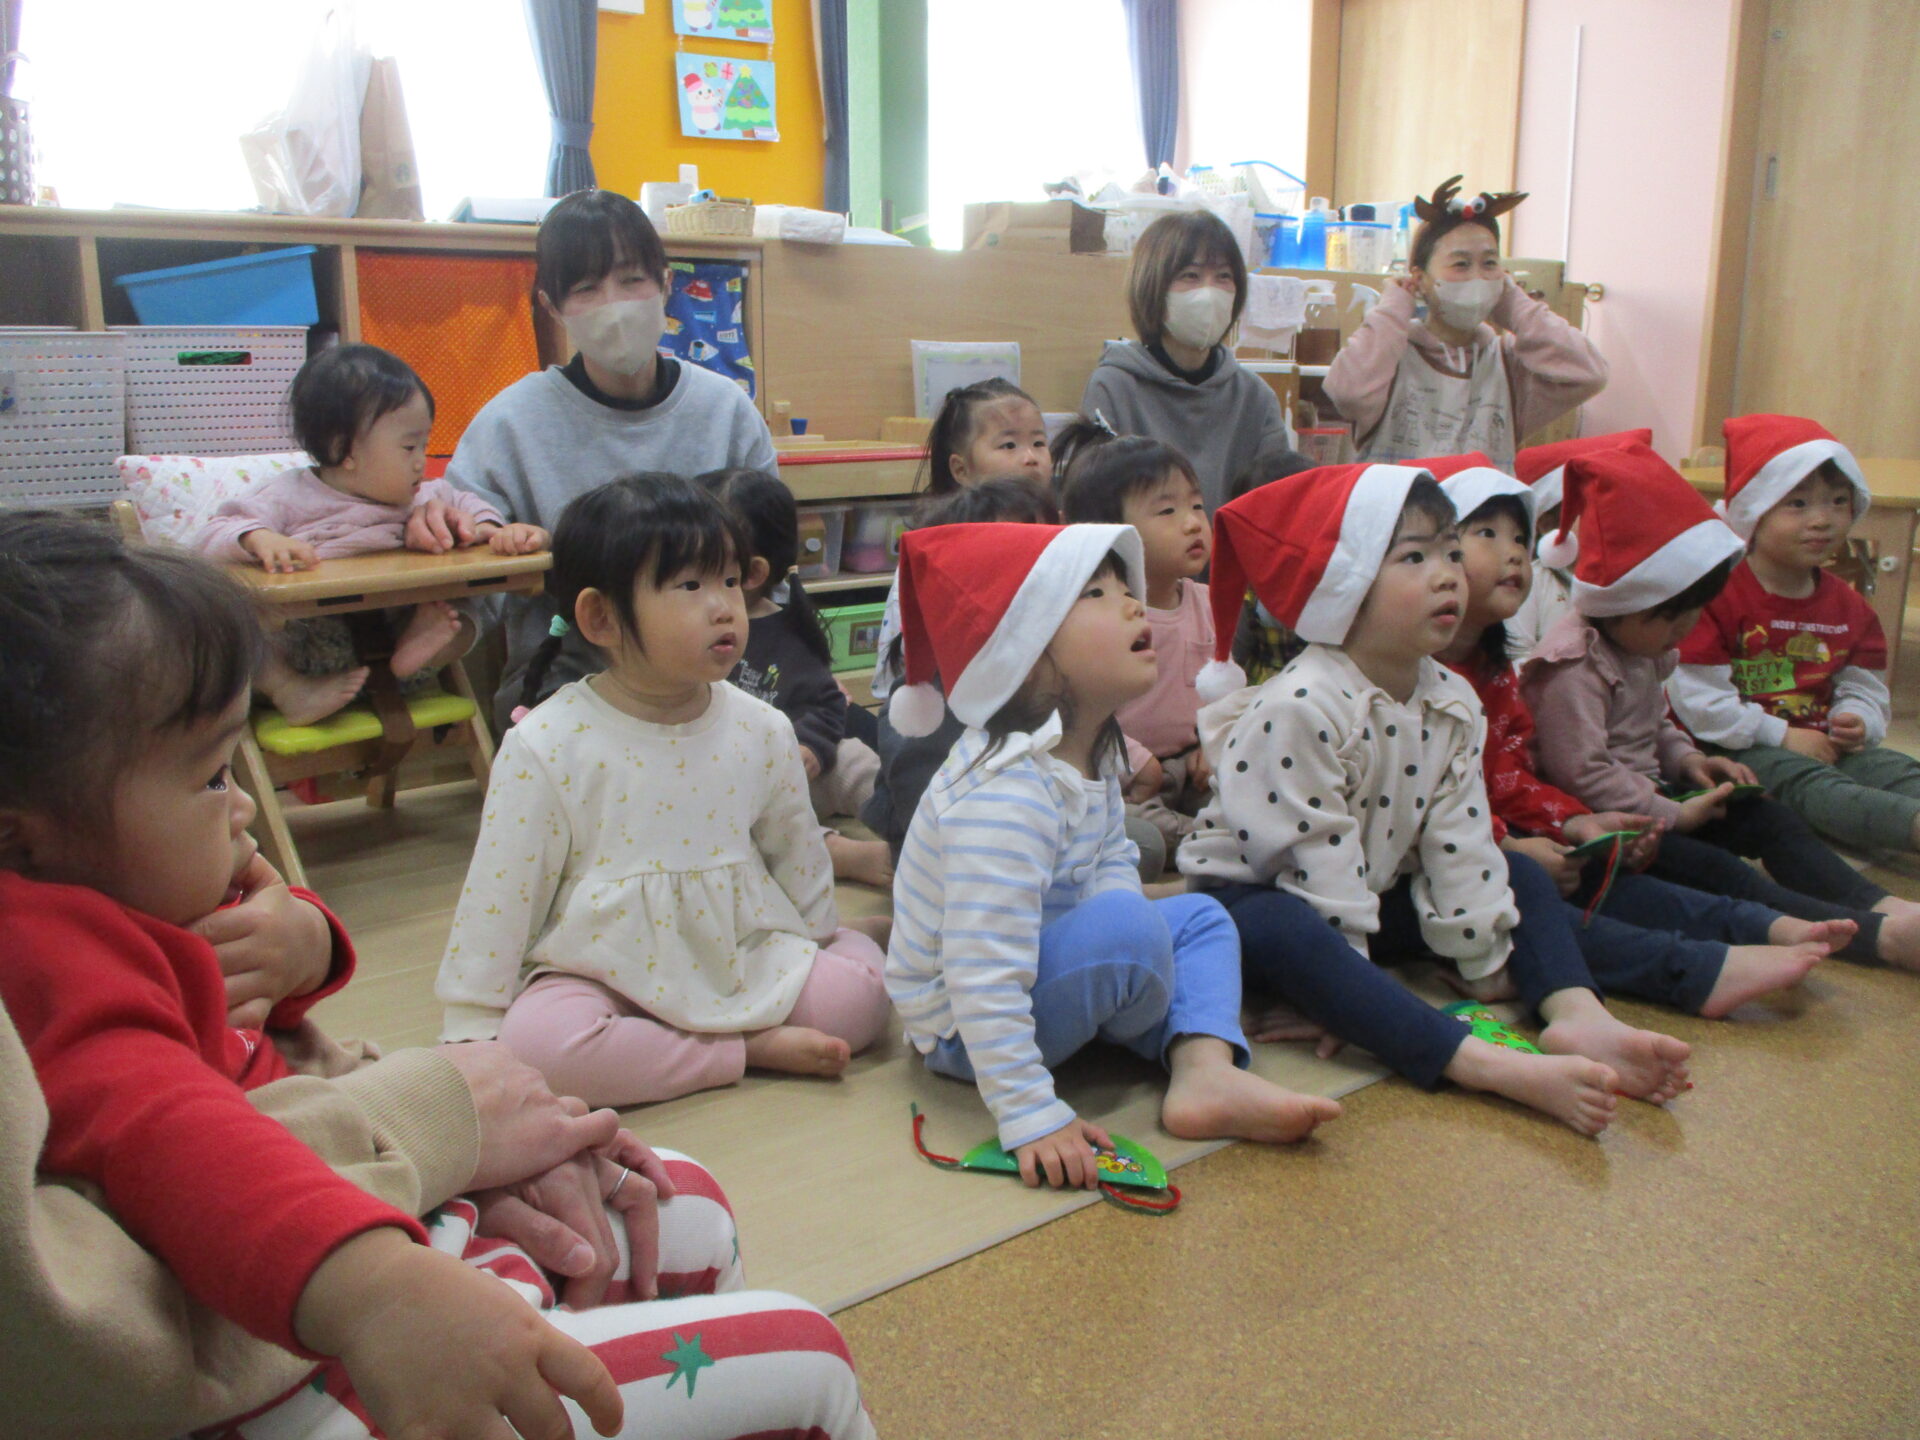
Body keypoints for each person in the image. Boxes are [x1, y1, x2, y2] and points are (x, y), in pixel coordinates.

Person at [0, 513, 876, 1440]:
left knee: (687, 1199)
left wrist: (303, 943)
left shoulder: (129, 885)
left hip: (352, 1201)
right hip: (304, 1323)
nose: (245, 807)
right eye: (215, 775)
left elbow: (250, 1028)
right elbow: (169, 1131)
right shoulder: (57, 952)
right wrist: (378, 1286)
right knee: (808, 1354)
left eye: (731, 581)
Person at [1180, 463, 1654, 1136]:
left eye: (1452, 553)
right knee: (1283, 926)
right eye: (1414, 557)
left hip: (1365, 896)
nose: (1447, 575)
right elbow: (1316, 861)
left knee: (1517, 871)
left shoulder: (1449, 696)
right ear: (1345, 587)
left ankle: (1577, 1012)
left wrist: (1482, 960)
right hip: (1261, 903)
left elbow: (1458, 833)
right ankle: (1482, 1065)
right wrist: (1345, 993)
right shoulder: (1302, 704)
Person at [884, 521, 1339, 1188]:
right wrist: (1029, 1112)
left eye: (1126, 588)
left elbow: (1109, 858)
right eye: (1095, 594)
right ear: (1025, 655)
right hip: (968, 1032)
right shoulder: (1004, 794)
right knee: (1129, 927)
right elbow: (981, 972)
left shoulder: (1086, 751)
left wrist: (1135, 948)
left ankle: (1204, 1072)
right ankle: (1147, 1029)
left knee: (1204, 918)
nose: (1131, 603)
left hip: (1052, 966)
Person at [437, 476, 893, 1108]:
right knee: (539, 1045)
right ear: (601, 617)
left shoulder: (761, 727)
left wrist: (816, 938)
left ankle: (824, 961)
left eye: (729, 580)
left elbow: (795, 847)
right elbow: (502, 889)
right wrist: (471, 1020)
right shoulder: (547, 742)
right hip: (604, 967)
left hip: (738, 948)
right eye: (690, 587)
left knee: (858, 1003)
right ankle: (742, 1051)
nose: (724, 607)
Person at [1432, 457, 1843, 1018]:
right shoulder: (1425, 676)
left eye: (1521, 539)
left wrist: (1576, 823)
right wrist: (1510, 846)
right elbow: (1428, 809)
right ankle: (1696, 966)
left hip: (1496, 835)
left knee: (1614, 867)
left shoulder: (1493, 670)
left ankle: (1760, 926)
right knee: (1542, 888)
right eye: (1486, 533)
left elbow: (1509, 779)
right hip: (1437, 865)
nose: (1514, 553)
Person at [1521, 441, 1920, 970]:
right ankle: (1872, 937)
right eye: (1673, 618)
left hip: (1653, 797)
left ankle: (1877, 902)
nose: (1684, 633)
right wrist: (1672, 813)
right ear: (1621, 604)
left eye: (1693, 616)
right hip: (1604, 818)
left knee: (1768, 818)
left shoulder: (1643, 643)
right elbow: (1580, 771)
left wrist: (1690, 761)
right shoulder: (1573, 665)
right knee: (1723, 873)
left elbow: (1656, 723)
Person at [415, 190, 778, 723]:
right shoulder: (509, 423)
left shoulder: (726, 410)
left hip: (712, 675)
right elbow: (471, 581)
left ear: (666, 284)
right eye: (587, 288)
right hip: (566, 680)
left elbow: (769, 564)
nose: (614, 305)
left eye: (632, 280)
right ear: (551, 306)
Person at [191, 344, 546, 724]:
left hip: (401, 639)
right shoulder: (289, 496)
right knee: (230, 622)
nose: (421, 461)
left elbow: (470, 506)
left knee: (470, 609)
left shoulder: (428, 496)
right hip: (305, 645)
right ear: (342, 448)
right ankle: (288, 690)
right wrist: (258, 538)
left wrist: (491, 530)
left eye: (424, 445)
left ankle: (422, 653)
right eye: (409, 447)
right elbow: (211, 536)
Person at [1670, 414, 1920, 856]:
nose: (1823, 520)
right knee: (1817, 789)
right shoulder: (1715, 595)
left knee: (1898, 769)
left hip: (1823, 739)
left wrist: (1858, 718)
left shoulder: (1850, 607)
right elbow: (1701, 704)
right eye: (1798, 504)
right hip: (1735, 746)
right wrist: (1783, 736)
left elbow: (1863, 685)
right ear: (1754, 511)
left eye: (1839, 501)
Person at [1322, 176, 1606, 471]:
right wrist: (1394, 309)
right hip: (1403, 501)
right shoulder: (1392, 358)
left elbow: (1590, 373)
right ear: (1419, 278)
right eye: (1461, 264)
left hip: (1487, 503)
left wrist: (1516, 307)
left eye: (1489, 263)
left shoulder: (1510, 366)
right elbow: (1347, 392)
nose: (1477, 276)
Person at [699, 467, 892, 889]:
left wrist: (812, 747)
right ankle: (838, 853)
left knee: (853, 758)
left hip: (788, 779)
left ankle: (912, 825)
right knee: (730, 826)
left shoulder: (787, 634)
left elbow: (827, 702)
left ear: (752, 574)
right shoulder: (682, 628)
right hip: (718, 794)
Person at [860, 478, 1067, 857]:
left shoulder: (1049, 663)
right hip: (960, 860)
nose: (1041, 577)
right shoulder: (927, 701)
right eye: (1018, 561)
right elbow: (935, 828)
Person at [1080, 208, 1301, 512]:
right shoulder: (1113, 387)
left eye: (1223, 276)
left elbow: (1278, 506)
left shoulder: (1255, 397)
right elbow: (1094, 509)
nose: (1209, 292)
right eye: (1190, 276)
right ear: (1153, 287)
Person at [1059, 432, 1216, 855]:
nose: (1193, 523)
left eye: (1197, 505)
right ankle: (1207, 843)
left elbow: (1226, 692)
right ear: (1111, 533)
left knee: (1248, 789)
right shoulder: (1099, 617)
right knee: (1140, 838)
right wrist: (1133, 760)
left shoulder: (1207, 602)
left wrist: (1213, 742)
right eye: (1167, 510)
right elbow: (1080, 714)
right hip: (1125, 776)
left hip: (1192, 767)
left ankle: (1211, 838)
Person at [870, 379, 1052, 704]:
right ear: (961, 469)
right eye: (1009, 445)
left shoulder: (1063, 536)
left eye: (1039, 443)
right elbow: (899, 676)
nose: (1030, 457)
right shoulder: (934, 557)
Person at [1505, 429, 1652, 660]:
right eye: (1596, 511)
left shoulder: (1633, 583)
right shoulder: (1534, 583)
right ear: (1548, 523)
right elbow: (1517, 656)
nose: (1613, 523)